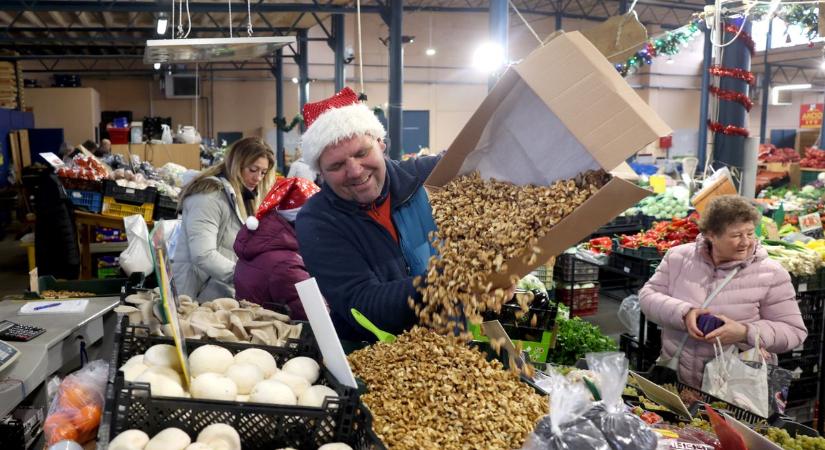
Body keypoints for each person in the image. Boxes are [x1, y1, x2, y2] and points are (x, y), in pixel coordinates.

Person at [295, 87, 440, 345]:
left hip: (456, 344)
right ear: (321, 173)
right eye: (336, 165)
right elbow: (363, 304)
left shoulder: (427, 178)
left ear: (380, 143)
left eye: (362, 153)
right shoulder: (317, 220)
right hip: (375, 353)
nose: (355, 171)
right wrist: (450, 285)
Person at [639, 195, 807, 388]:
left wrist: (745, 332)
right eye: (736, 235)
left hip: (734, 388)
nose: (746, 242)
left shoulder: (771, 273)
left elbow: (794, 331)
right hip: (677, 378)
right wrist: (684, 313)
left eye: (750, 233)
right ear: (711, 235)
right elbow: (648, 296)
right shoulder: (678, 257)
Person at [172, 137, 276, 301]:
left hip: (217, 292)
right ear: (237, 164)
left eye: (263, 173)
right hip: (195, 296)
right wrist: (244, 276)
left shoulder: (244, 196)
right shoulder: (209, 196)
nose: (258, 178)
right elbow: (203, 254)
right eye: (253, 169)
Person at [234, 177, 319, 320]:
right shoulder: (287, 265)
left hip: (257, 327)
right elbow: (318, 318)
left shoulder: (262, 244)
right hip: (275, 332)